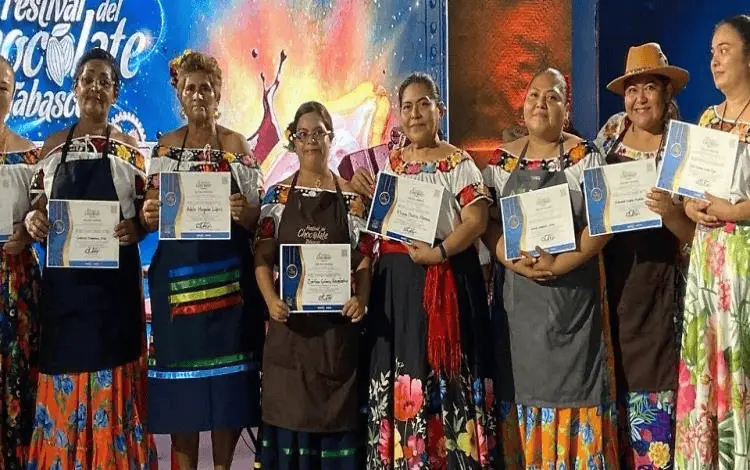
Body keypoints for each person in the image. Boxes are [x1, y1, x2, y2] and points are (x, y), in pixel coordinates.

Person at [353, 73, 497, 469]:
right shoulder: (394, 164)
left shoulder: (458, 162)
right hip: (397, 290)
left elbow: (476, 220)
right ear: (399, 116)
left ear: (439, 110)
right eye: (407, 107)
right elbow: (380, 224)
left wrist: (439, 252)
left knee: (446, 371)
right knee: (402, 369)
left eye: (423, 104)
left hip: (445, 282)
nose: (415, 114)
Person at [23, 48, 155, 469]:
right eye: (88, 79)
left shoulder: (130, 150)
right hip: (65, 297)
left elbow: (147, 213)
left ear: (115, 93)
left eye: (104, 81)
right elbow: (36, 205)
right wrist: (34, 220)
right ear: (75, 88)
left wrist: (137, 228)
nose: (95, 87)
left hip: (112, 298)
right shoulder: (52, 147)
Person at [482, 68, 616, 469]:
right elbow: (486, 224)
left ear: (566, 108)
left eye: (552, 96)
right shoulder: (500, 162)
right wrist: (515, 263)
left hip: (573, 309)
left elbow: (603, 222)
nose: (541, 103)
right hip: (520, 313)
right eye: (534, 95)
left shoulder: (586, 157)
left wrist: (561, 263)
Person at [139, 50, 264, 470]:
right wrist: (148, 214)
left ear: (218, 94)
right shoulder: (165, 147)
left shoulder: (236, 145)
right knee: (183, 398)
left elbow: (257, 217)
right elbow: (149, 213)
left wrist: (243, 211)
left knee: (225, 395)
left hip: (230, 292)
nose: (198, 95)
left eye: (205, 88)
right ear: (179, 94)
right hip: (178, 295)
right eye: (189, 88)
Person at [254, 101, 372, 469]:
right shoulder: (276, 197)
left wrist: (361, 298)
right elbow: (262, 257)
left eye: (318, 133)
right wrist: (271, 300)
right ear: (292, 141)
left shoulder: (351, 199)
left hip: (335, 341)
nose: (310, 141)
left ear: (331, 138)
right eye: (302, 134)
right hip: (289, 340)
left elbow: (363, 258)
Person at [595, 42, 695, 470]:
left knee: (654, 393)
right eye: (632, 89)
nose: (639, 99)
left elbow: (696, 236)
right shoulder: (610, 132)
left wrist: (671, 213)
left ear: (667, 93)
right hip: (613, 280)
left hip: (661, 289)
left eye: (649, 87)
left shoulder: (683, 145)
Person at [674, 15, 750, 470]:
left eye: (724, 50)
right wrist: (691, 209)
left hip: (744, 266)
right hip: (706, 264)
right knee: (707, 361)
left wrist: (732, 212)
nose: (714, 61)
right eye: (711, 52)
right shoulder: (707, 119)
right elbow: (690, 191)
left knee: (741, 362)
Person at [0, 55, 40, 470]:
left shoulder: (31, 157)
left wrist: (27, 232)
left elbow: (40, 217)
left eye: (3, 87)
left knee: (18, 372)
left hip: (17, 282)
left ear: (13, 94)